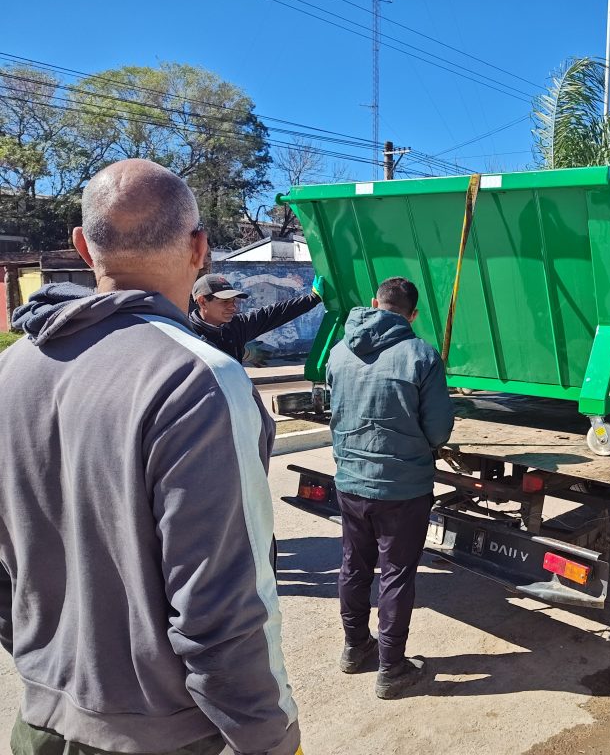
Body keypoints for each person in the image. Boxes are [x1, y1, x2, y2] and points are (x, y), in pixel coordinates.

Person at [0, 159, 300, 755]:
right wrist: (270, 738)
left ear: (82, 246)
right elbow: (222, 604)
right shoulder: (199, 379)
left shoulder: (12, 370)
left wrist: (48, 665)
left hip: (42, 722)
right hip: (170, 736)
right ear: (200, 249)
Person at [326, 277, 455, 700]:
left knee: (353, 565)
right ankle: (391, 669)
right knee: (396, 575)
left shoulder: (339, 351)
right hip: (402, 489)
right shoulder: (421, 355)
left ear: (374, 303)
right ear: (412, 314)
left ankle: (354, 648)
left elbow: (334, 411)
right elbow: (439, 431)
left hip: (351, 482)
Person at [189, 271, 323, 363]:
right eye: (225, 301)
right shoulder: (186, 334)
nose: (233, 307)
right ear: (202, 302)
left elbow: (275, 313)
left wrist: (313, 298)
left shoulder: (236, 326)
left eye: (233, 301)